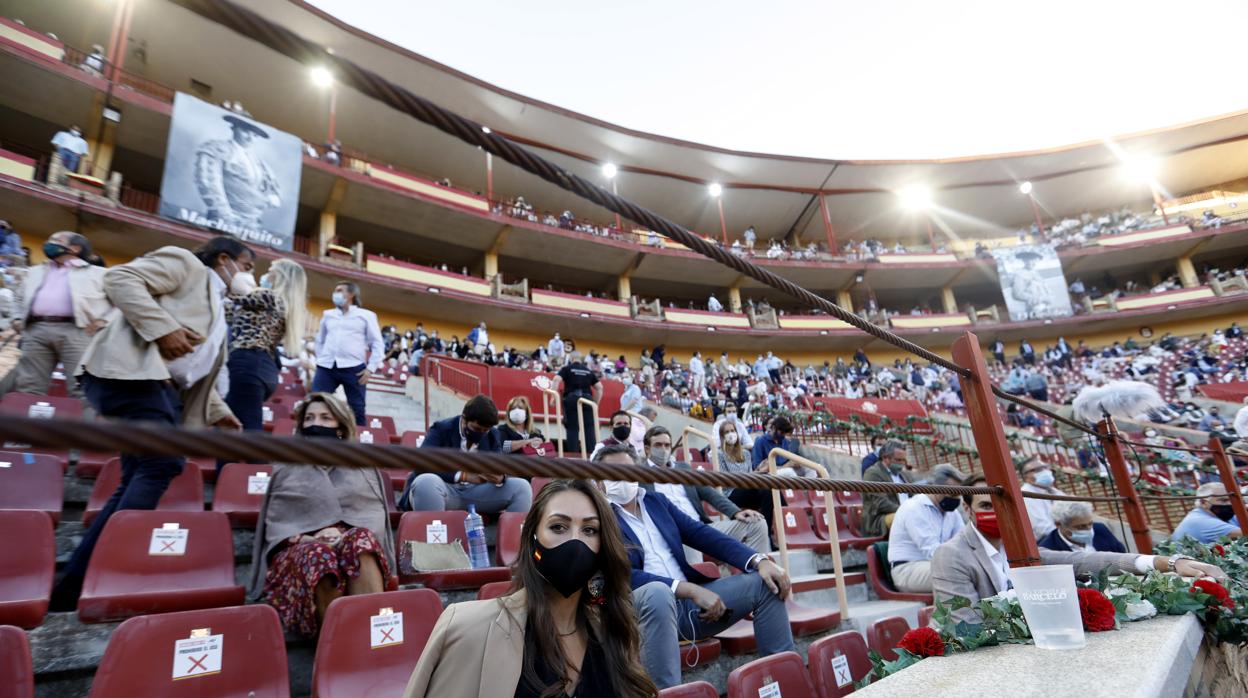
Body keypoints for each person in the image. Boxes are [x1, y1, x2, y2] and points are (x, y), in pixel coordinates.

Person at [50, 236, 248, 610]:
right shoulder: (185, 263)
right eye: (247, 266)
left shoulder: (219, 308)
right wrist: (162, 329)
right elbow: (120, 279)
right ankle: (88, 577)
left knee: (137, 476)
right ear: (225, 259)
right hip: (130, 377)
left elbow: (194, 365)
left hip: (159, 390)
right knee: (162, 463)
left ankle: (74, 584)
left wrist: (218, 410)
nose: (247, 276)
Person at [404, 478, 656, 698]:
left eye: (589, 530)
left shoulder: (613, 631)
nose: (575, 541)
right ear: (532, 539)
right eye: (558, 527)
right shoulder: (467, 629)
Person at [598, 445, 792, 689]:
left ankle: (785, 684)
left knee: (766, 582)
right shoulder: (598, 518)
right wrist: (686, 589)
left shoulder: (657, 502)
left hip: (691, 610)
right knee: (658, 594)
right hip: (643, 613)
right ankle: (669, 693)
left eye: (626, 471)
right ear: (598, 482)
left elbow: (701, 534)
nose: (620, 479)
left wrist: (759, 560)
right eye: (611, 473)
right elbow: (616, 575)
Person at [932, 474, 1227, 623]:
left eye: (1001, 505)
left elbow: (1083, 560)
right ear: (968, 511)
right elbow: (964, 626)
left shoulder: (1018, 547)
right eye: (985, 506)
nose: (994, 513)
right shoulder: (952, 554)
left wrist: (1166, 562)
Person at [247, 393, 393, 637]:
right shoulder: (286, 466)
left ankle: (371, 637)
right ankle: (336, 647)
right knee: (318, 555)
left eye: (326, 418)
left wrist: (340, 532)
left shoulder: (362, 467)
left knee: (361, 541)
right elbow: (277, 524)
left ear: (340, 425)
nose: (316, 424)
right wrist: (307, 538)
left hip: (348, 544)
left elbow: (372, 516)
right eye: (310, 418)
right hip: (299, 550)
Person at [638, 426, 769, 556]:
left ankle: (757, 573)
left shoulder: (683, 468)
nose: (663, 449)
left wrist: (735, 512)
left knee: (757, 523)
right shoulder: (639, 474)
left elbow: (710, 494)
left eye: (667, 445)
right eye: (658, 445)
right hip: (672, 532)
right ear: (647, 449)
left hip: (701, 528)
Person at [9, 232, 112, 396]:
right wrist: (16, 318)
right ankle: (25, 422)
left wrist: (103, 322)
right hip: (36, 330)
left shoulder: (100, 274)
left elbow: (120, 303)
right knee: (28, 386)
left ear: (75, 248)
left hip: (79, 332)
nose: (49, 243)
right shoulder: (34, 271)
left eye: (56, 240)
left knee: (82, 389)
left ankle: (83, 422)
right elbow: (18, 296)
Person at [401, 394, 531, 513]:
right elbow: (420, 464)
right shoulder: (441, 429)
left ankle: (511, 538)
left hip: (477, 492)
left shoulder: (492, 434)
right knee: (425, 482)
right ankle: (435, 538)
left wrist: (500, 476)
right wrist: (464, 476)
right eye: (477, 429)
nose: (481, 433)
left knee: (522, 487)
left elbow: (502, 465)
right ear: (464, 419)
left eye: (485, 430)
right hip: (445, 489)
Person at [224, 258, 306, 437]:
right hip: (262, 367)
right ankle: (231, 464)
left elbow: (229, 295)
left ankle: (251, 465)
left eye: (271, 269)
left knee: (242, 428)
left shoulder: (267, 297)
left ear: (281, 276)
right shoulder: (279, 302)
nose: (266, 274)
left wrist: (228, 273)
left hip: (248, 362)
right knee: (234, 424)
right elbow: (230, 312)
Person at [887, 464, 966, 593]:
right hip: (908, 569)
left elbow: (963, 541)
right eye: (953, 493)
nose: (957, 499)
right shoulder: (914, 508)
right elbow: (932, 551)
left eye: (959, 494)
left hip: (936, 565)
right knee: (956, 572)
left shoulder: (952, 512)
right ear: (935, 488)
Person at [312, 281, 383, 426]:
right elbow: (320, 340)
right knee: (315, 402)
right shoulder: (328, 314)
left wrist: (371, 368)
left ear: (351, 294)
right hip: (326, 367)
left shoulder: (366, 315)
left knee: (356, 408)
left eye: (339, 290)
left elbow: (377, 343)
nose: (335, 294)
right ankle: (311, 438)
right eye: (335, 290)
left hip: (354, 368)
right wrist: (320, 359)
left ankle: (357, 444)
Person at [194, 114, 282, 229]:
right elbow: (209, 183)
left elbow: (273, 193)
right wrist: (225, 218)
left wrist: (270, 199)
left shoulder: (259, 163)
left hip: (252, 224)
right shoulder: (216, 149)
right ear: (234, 128)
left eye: (255, 135)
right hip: (224, 221)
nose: (250, 138)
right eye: (245, 131)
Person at [861, 440, 913, 537]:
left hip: (906, 514)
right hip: (880, 520)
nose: (902, 463)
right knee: (909, 518)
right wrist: (907, 511)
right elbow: (881, 504)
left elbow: (914, 496)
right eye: (898, 460)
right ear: (885, 457)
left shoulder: (904, 475)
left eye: (903, 460)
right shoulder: (873, 473)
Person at [553, 351, 601, 455]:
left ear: (571, 358)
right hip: (588, 400)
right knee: (589, 429)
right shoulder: (588, 371)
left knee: (572, 428)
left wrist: (553, 397)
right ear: (580, 359)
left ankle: (573, 455)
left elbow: (556, 380)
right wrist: (595, 404)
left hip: (572, 399)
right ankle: (591, 455)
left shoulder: (567, 369)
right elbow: (599, 388)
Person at [1037, 500, 1126, 553]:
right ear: (1059, 525)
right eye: (1080, 527)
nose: (1089, 529)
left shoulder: (1100, 530)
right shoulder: (1048, 549)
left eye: (1090, 523)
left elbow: (1122, 555)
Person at [1171, 483, 1243, 543]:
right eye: (1223, 500)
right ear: (1203, 503)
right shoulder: (1200, 521)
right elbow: (1244, 534)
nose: (1229, 504)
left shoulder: (1222, 515)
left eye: (1230, 500)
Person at [1019, 457, 1065, 540]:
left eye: (1045, 467)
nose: (1045, 471)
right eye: (1037, 470)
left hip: (1065, 535)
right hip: (1047, 541)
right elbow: (1042, 529)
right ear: (1026, 477)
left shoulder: (1053, 491)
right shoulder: (1026, 494)